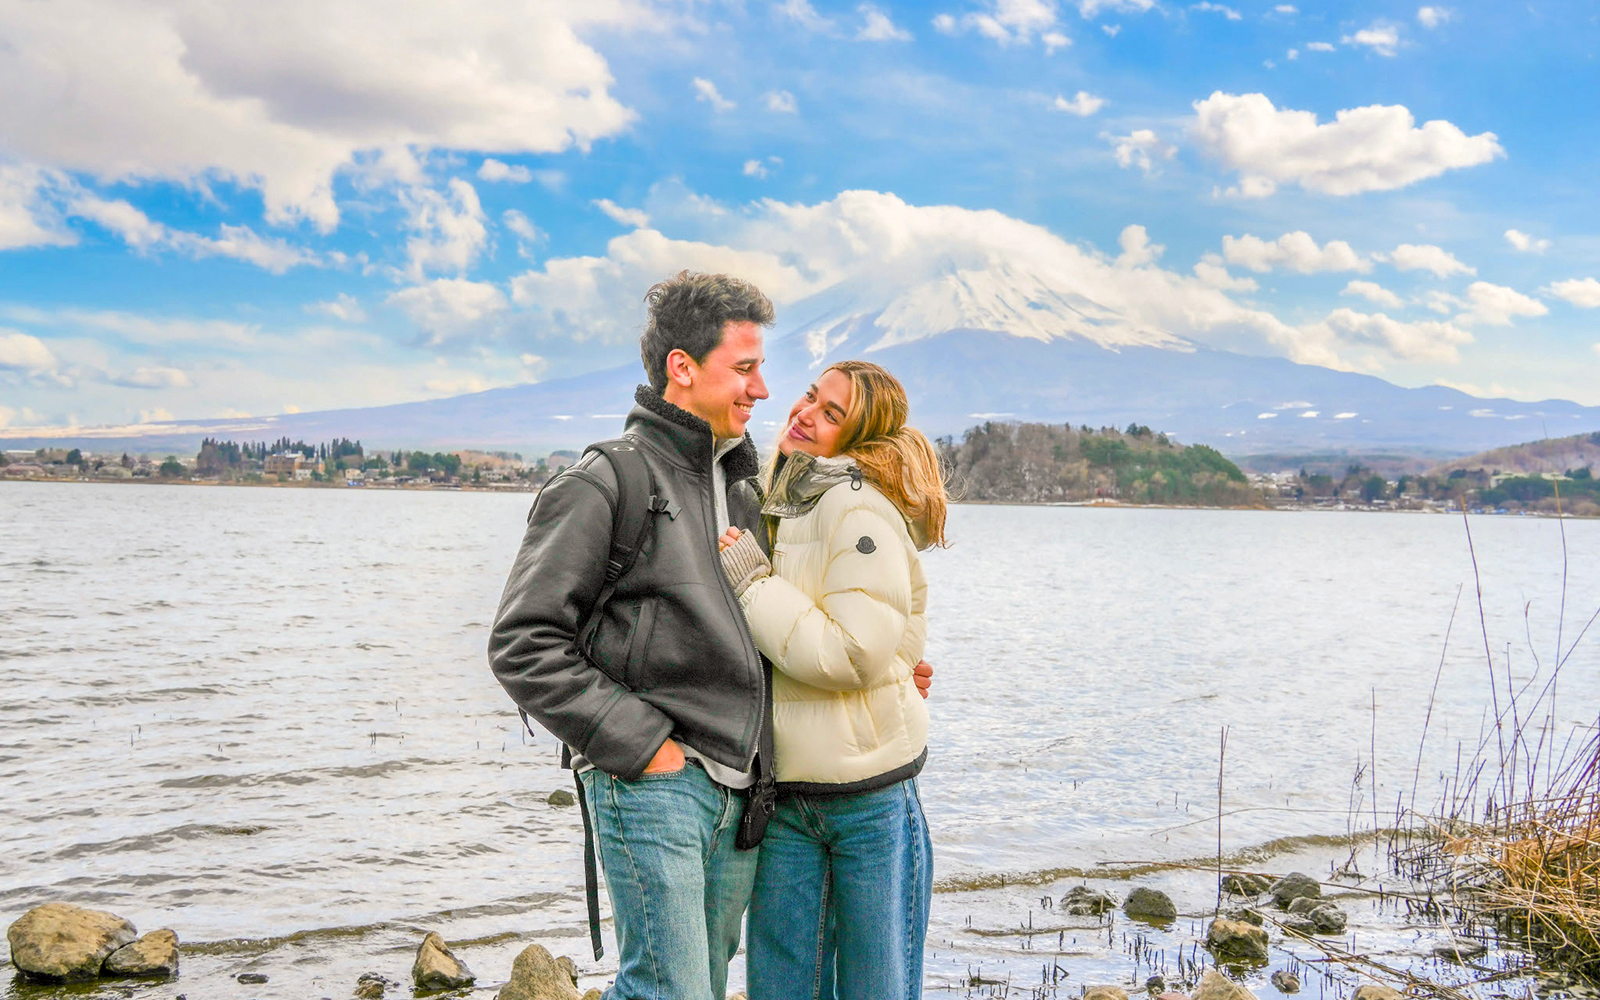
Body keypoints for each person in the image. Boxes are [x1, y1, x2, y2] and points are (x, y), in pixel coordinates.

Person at [488, 270, 777, 1000]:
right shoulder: (605, 481)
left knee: (697, 990)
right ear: (682, 367)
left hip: (741, 794)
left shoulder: (745, 486)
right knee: (668, 992)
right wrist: (647, 747)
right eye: (744, 368)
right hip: (656, 784)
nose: (761, 388)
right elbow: (523, 641)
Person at [716, 360, 947, 1000]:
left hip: (867, 801)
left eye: (831, 413)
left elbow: (851, 653)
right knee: (782, 989)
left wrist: (752, 584)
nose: (805, 413)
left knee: (878, 988)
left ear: (858, 440)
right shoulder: (785, 497)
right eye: (811, 397)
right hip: (785, 795)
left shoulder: (857, 508)